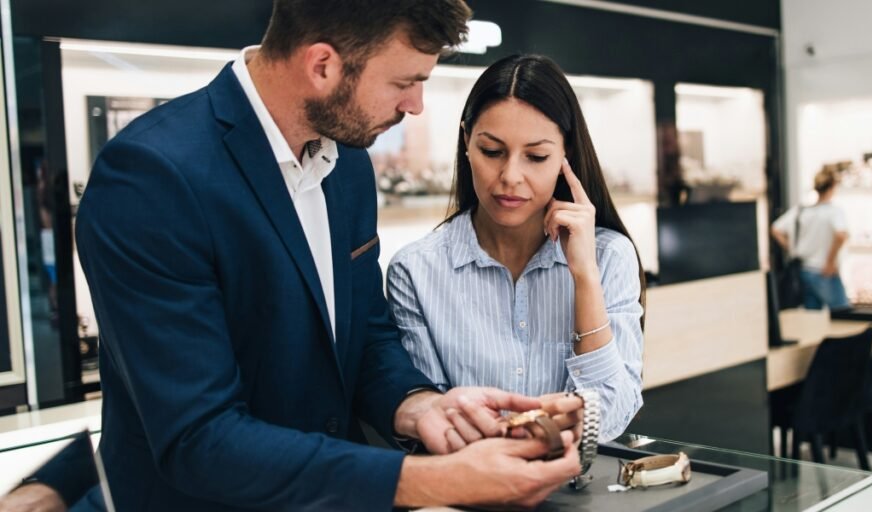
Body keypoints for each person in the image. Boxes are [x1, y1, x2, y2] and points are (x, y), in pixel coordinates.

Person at [22, 2, 583, 510]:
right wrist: (433, 480)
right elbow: (200, 438)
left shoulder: (349, 167)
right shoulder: (151, 178)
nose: (414, 106)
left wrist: (417, 405)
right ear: (322, 65)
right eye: (405, 82)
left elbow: (364, 330)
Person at [387, 54, 646, 443]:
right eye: (491, 151)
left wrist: (585, 277)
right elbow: (436, 428)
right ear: (466, 143)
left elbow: (608, 420)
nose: (510, 177)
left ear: (566, 155)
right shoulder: (415, 270)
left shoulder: (609, 257)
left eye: (536, 156)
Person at [771, 167, 851, 310]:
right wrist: (830, 261)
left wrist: (792, 248)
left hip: (804, 270)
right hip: (824, 270)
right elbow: (841, 235)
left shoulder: (801, 211)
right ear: (832, 187)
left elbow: (775, 229)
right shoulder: (833, 212)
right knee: (842, 313)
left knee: (812, 316)